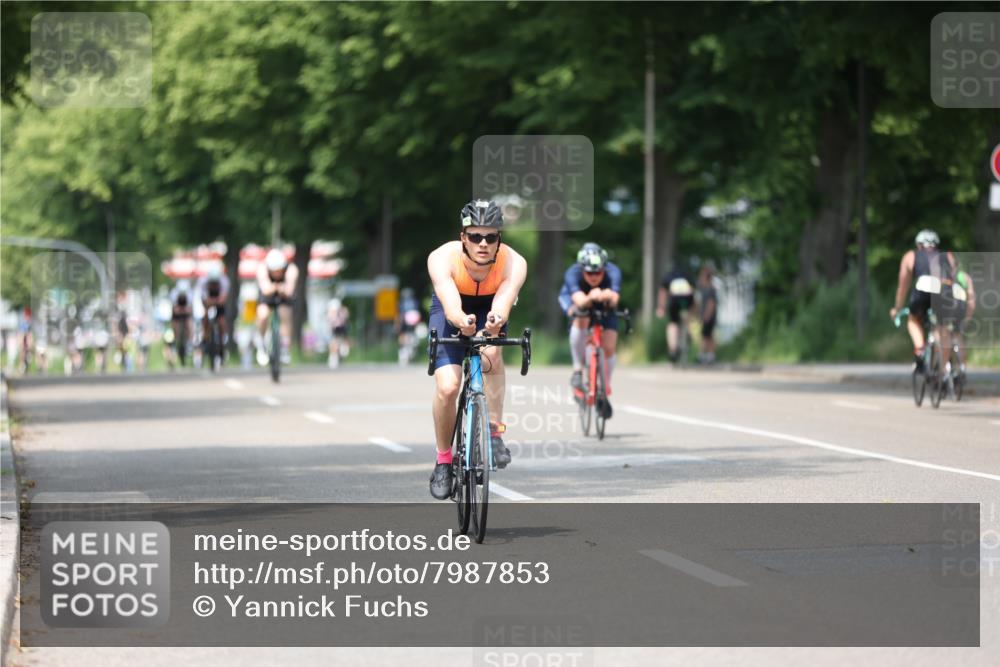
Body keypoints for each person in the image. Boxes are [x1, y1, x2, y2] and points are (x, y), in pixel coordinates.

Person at [426, 199, 528, 500]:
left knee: (492, 354)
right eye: (475, 236)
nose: (483, 243)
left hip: (490, 307)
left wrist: (494, 324)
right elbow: (449, 303)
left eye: (491, 237)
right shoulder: (441, 258)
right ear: (463, 238)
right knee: (448, 387)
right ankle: (444, 460)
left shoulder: (514, 262)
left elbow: (503, 302)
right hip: (452, 306)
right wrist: (462, 322)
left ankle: (494, 433)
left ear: (499, 240)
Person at [557, 242, 621, 417]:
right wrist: (592, 296)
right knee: (581, 317)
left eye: (598, 272)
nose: (593, 276)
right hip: (576, 300)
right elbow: (580, 301)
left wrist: (607, 296)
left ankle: (604, 386)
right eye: (589, 273)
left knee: (609, 347)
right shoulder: (573, 273)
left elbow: (615, 299)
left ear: (604, 268)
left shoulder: (613, 271)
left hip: (603, 304)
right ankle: (578, 369)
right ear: (581, 269)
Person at [889, 229, 958, 372]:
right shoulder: (948, 256)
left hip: (924, 288)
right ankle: (944, 370)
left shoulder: (910, 256)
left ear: (918, 245)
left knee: (913, 319)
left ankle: (920, 350)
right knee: (942, 328)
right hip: (944, 290)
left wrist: (897, 307)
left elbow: (903, 285)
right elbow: (954, 280)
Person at [256, 248, 299, 366]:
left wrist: (279, 288)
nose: (277, 273)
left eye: (279, 270)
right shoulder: (262, 268)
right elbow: (265, 289)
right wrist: (277, 287)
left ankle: (285, 348)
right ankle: (262, 342)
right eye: (274, 270)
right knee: (263, 314)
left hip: (283, 295)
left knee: (284, 314)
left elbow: (289, 290)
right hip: (267, 295)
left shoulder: (291, 269)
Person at [656, 263, 695, 362]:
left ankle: (673, 349)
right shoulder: (687, 275)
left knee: (673, 323)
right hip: (687, 299)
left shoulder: (668, 277)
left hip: (674, 299)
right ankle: (689, 332)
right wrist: (693, 312)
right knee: (688, 319)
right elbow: (692, 293)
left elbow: (663, 293)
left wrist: (661, 308)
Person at [196, 263, 230, 361]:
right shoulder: (203, 282)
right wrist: (212, 302)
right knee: (206, 315)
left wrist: (216, 301)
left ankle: (222, 341)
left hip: (219, 303)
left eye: (216, 283)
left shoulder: (224, 281)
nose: (214, 285)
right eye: (212, 282)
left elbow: (223, 299)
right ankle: (205, 336)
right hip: (208, 301)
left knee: (222, 322)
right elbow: (205, 299)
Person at [696, 264, 718, 364]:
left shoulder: (710, 289)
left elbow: (711, 304)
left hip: (708, 317)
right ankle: (709, 355)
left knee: (705, 336)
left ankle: (704, 355)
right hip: (707, 316)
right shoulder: (704, 289)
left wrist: (706, 316)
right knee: (708, 336)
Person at [326, 297, 350, 369]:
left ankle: (340, 354)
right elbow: (330, 322)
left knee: (342, 344)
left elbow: (346, 317)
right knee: (334, 343)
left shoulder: (343, 312)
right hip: (334, 330)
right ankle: (333, 358)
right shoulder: (330, 313)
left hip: (342, 330)